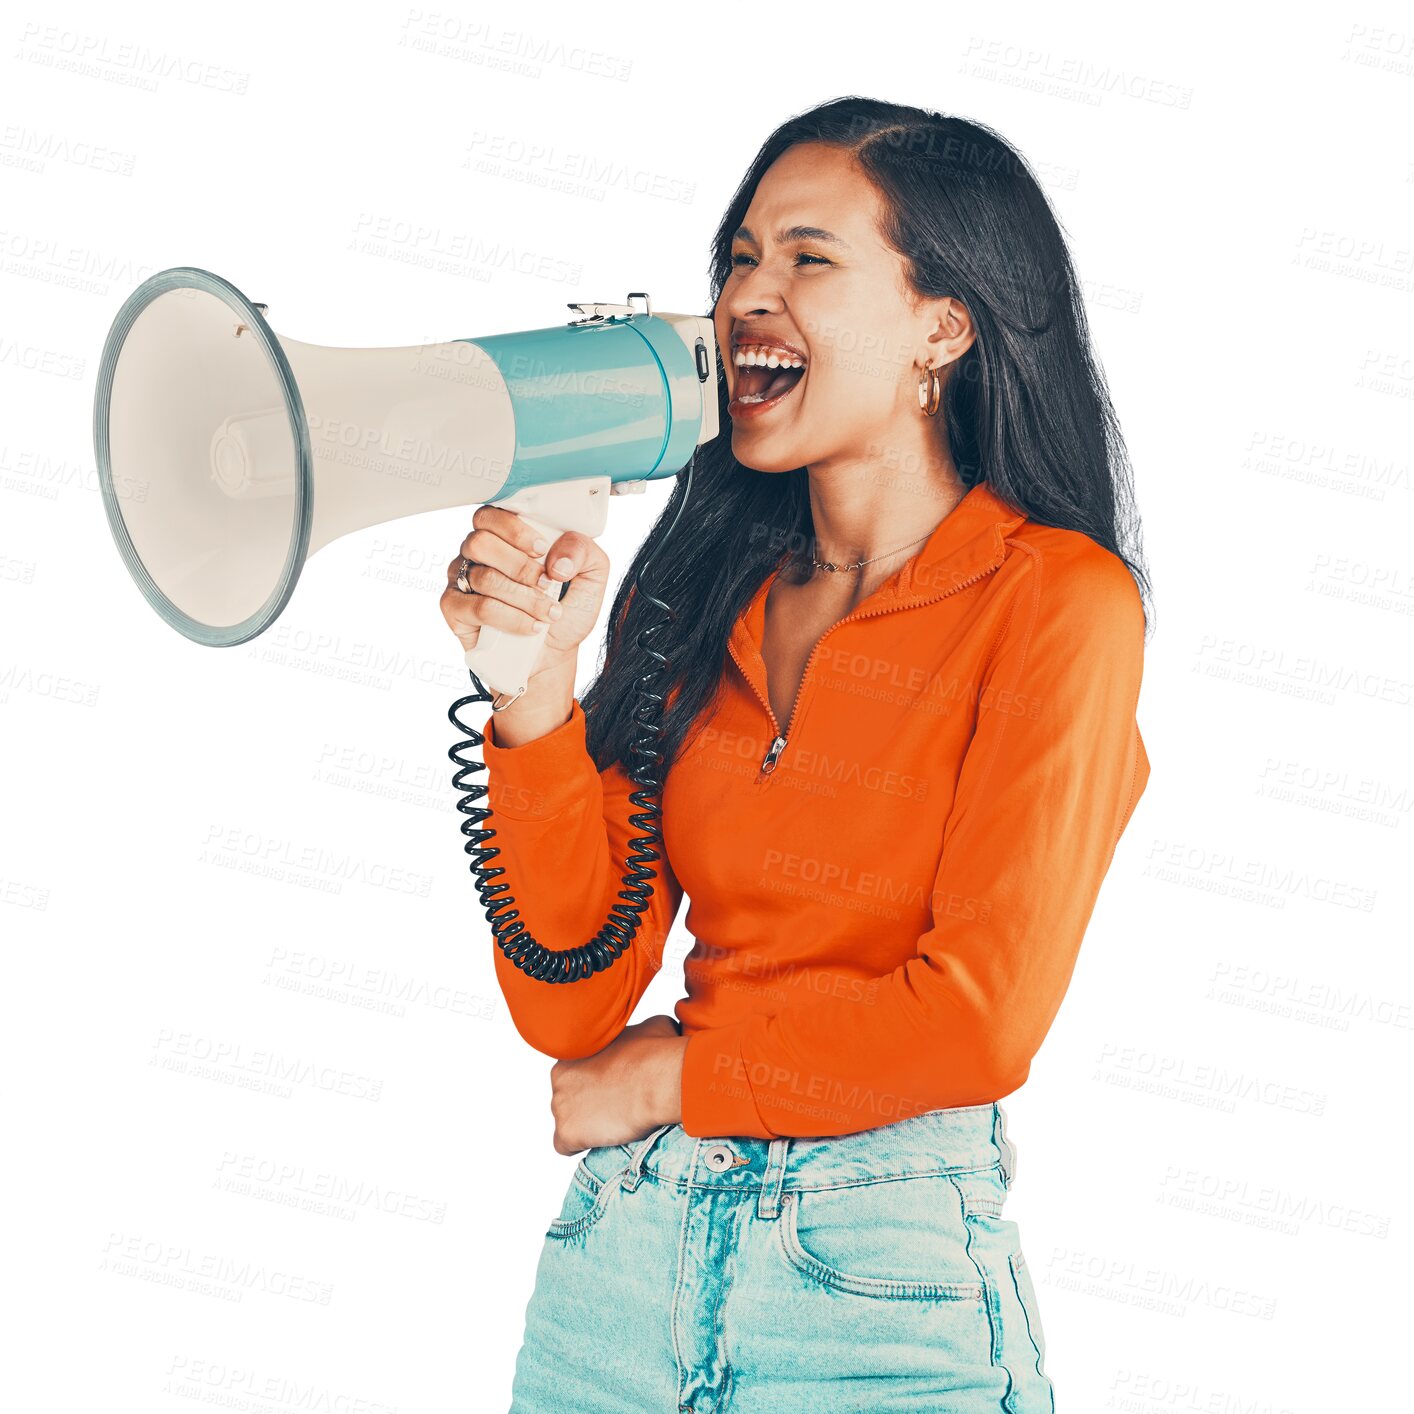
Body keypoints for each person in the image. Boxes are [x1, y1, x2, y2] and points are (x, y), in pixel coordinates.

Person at [440, 95, 1153, 1414]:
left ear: (943, 326)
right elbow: (568, 1000)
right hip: (621, 1262)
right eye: (738, 258)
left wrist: (680, 1072)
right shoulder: (709, 595)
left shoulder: (1055, 601)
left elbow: (976, 1020)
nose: (745, 295)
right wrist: (533, 692)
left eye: (806, 260)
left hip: (876, 1279)